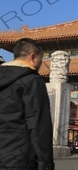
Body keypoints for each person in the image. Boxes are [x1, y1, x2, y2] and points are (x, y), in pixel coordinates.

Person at [0, 38, 54, 170]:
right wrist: (46, 165)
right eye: (41, 59)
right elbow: (39, 126)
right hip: (19, 157)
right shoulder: (32, 81)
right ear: (33, 57)